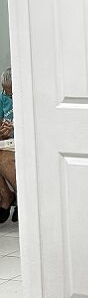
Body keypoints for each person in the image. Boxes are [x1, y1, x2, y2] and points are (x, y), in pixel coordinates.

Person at [0, 67, 16, 223]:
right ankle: (6, 196)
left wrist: (15, 127)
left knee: (4, 161)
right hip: (7, 142)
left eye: (12, 93)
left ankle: (21, 199)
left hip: (21, 143)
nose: (8, 96)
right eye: (6, 93)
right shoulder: (2, 98)